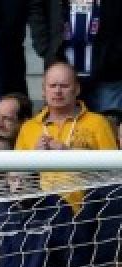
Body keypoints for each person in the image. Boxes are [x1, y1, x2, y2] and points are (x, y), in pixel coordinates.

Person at [14, 61, 119, 211]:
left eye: (64, 86)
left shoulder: (98, 122)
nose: (57, 91)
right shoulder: (28, 127)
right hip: (40, 214)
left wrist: (69, 154)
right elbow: (17, 179)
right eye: (52, 86)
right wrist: (34, 157)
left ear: (77, 89)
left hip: (89, 212)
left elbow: (114, 172)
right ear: (43, 90)